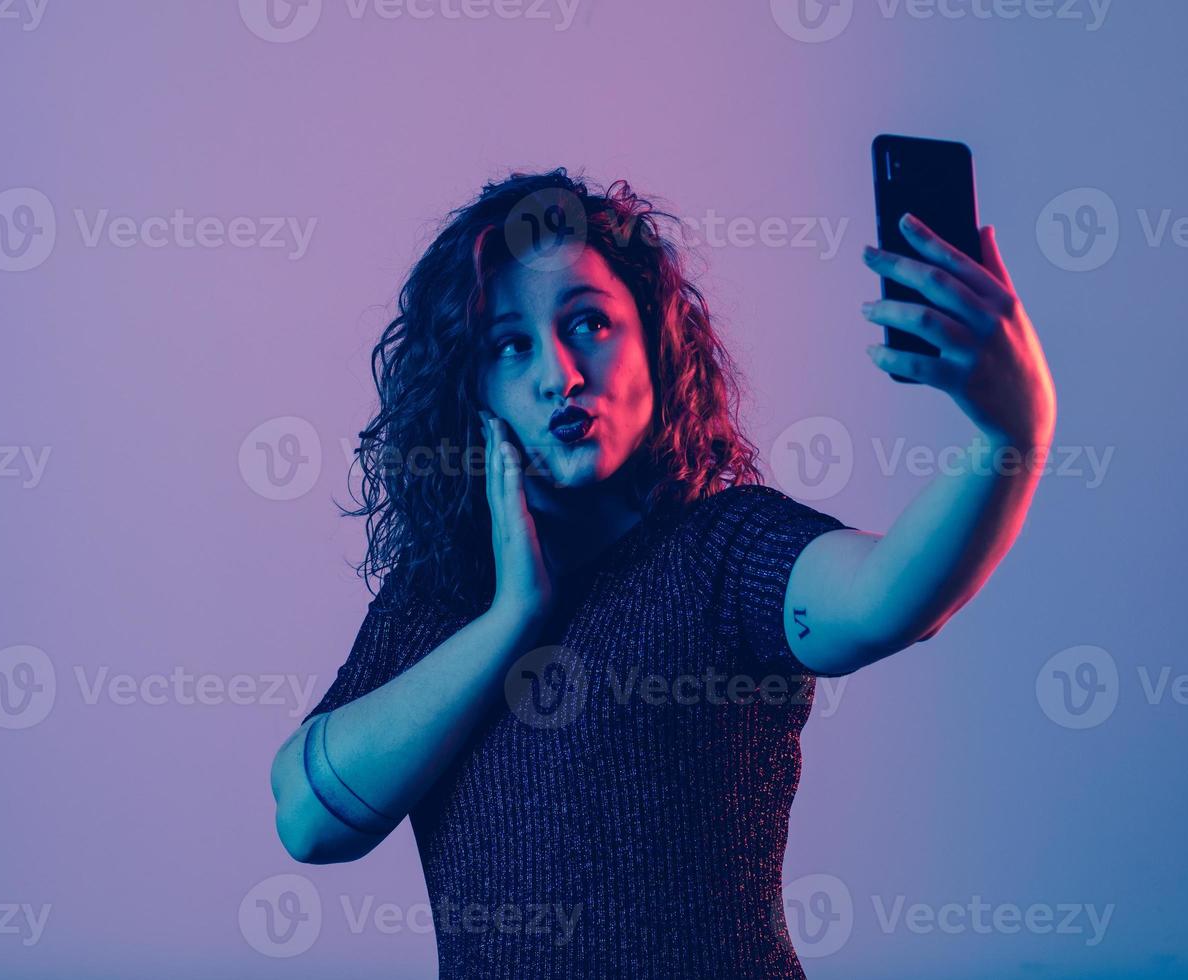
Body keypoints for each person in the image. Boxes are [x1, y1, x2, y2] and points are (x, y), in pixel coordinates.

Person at [268, 168, 1056, 977]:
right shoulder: (439, 599)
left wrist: (1013, 437)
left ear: (658, 342)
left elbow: (888, 596)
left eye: (590, 324)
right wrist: (511, 618)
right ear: (470, 391)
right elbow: (308, 819)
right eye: (512, 344)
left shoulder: (722, 551)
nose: (560, 374)